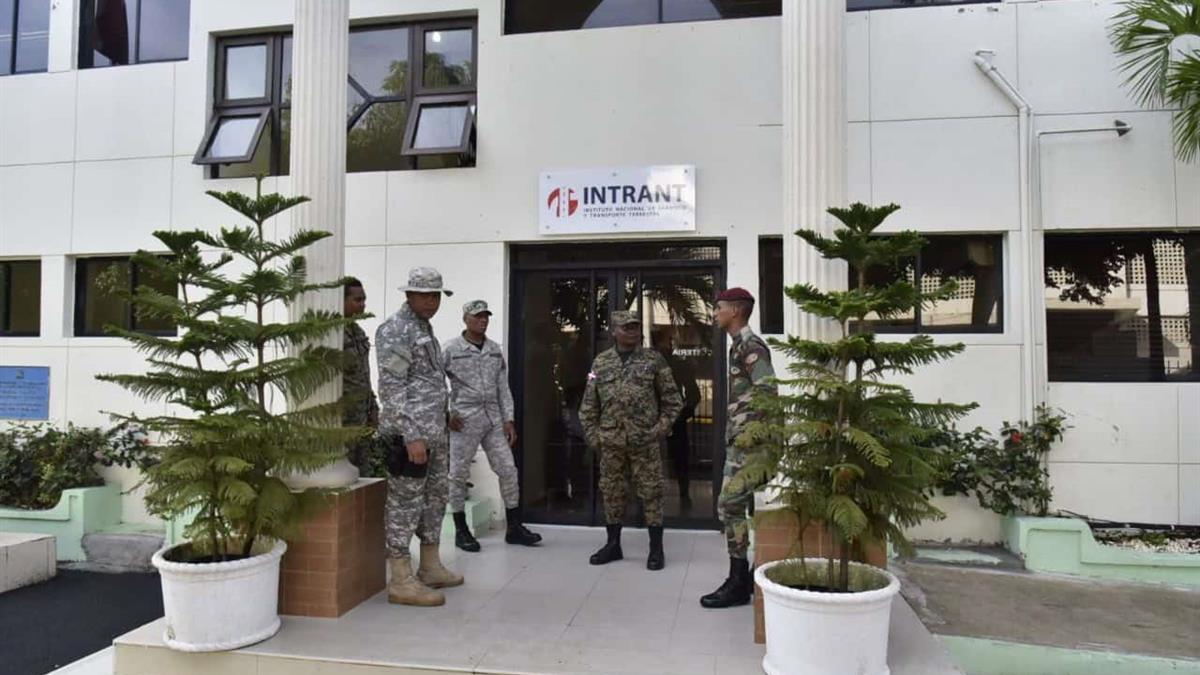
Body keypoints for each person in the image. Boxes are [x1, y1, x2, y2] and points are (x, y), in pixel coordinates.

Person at [375, 267, 463, 607]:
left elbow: (428, 381)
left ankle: (430, 565)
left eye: (436, 295)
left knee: (435, 498)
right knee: (405, 503)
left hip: (434, 432)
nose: (431, 302)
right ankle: (400, 579)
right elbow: (392, 388)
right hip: (410, 435)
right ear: (409, 295)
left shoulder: (423, 328)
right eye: (424, 295)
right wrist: (410, 434)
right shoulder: (396, 329)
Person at [580, 310, 683, 571]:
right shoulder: (600, 363)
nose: (633, 331)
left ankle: (656, 549)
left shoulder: (654, 360)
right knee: (611, 493)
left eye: (636, 327)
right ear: (614, 331)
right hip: (610, 443)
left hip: (644, 442)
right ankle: (613, 545)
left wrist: (659, 429)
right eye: (626, 327)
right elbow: (589, 404)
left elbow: (673, 400)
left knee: (652, 494)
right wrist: (594, 437)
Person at [443, 299, 542, 551]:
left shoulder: (494, 350)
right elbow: (434, 381)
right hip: (464, 420)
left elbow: (502, 387)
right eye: (477, 316)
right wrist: (445, 413)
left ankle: (514, 527)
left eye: (485, 316)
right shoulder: (451, 349)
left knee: (508, 469)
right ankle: (461, 529)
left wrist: (509, 419)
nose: (483, 320)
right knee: (458, 474)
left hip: (493, 419)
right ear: (465, 319)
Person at [701, 287, 777, 609]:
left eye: (718, 307)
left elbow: (768, 392)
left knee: (730, 505)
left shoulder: (751, 346)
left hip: (752, 445)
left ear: (734, 310)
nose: (715, 313)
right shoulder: (738, 346)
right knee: (746, 507)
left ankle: (739, 580)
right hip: (745, 442)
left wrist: (749, 434)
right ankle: (746, 578)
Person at [652, 328, 701, 509]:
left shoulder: (677, 364)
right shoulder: (647, 364)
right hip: (652, 419)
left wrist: (680, 415)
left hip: (672, 420)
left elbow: (694, 394)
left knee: (680, 459)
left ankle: (684, 494)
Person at [343, 278, 380, 476]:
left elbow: (364, 374)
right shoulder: (333, 334)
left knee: (363, 473)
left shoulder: (358, 332)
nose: (363, 305)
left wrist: (373, 405)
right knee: (344, 471)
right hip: (344, 418)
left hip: (362, 415)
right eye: (357, 300)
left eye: (364, 299)